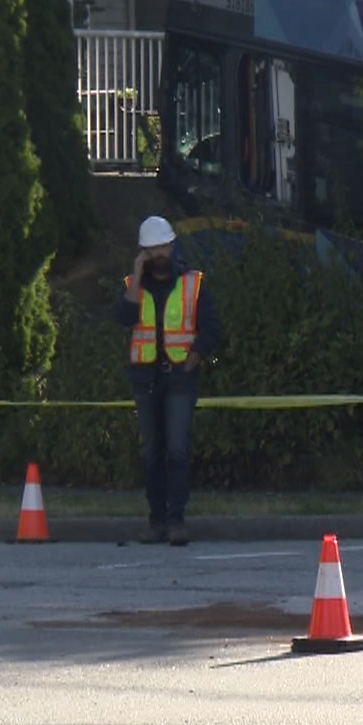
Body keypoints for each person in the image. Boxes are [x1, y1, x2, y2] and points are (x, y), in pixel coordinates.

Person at [114, 216, 221, 546]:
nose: (158, 253)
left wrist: (193, 360)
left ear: (172, 247)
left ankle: (176, 521)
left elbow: (211, 328)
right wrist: (135, 280)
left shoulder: (193, 283)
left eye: (162, 246)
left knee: (176, 451)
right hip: (145, 378)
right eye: (151, 249)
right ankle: (156, 520)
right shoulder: (133, 285)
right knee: (152, 453)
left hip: (179, 378)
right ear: (143, 252)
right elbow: (123, 318)